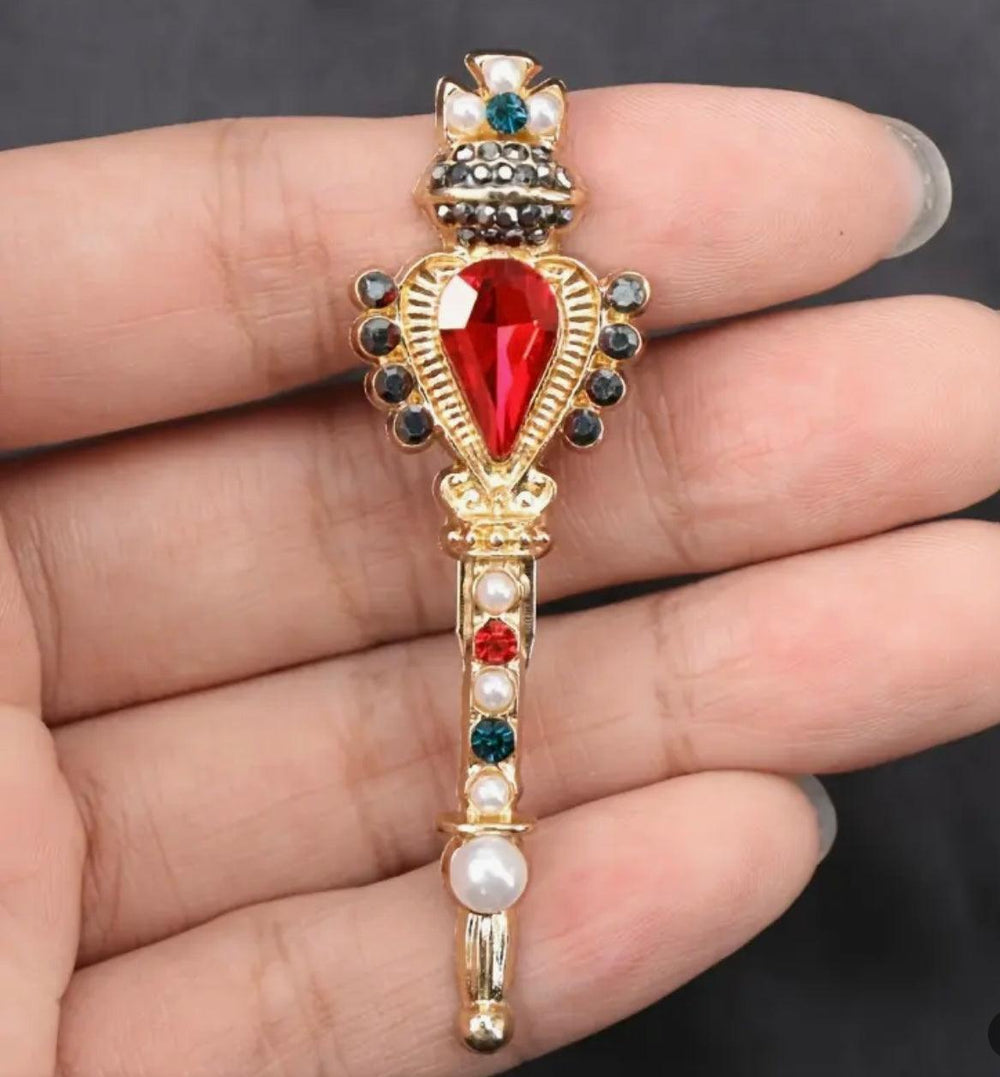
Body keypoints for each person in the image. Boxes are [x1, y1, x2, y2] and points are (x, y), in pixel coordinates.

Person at [3, 83, 988, 1077]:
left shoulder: (500, 296)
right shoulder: (498, 296)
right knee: (498, 714)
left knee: (500, 712)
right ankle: (483, 953)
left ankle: (488, 954)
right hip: (494, 501)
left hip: (500, 502)